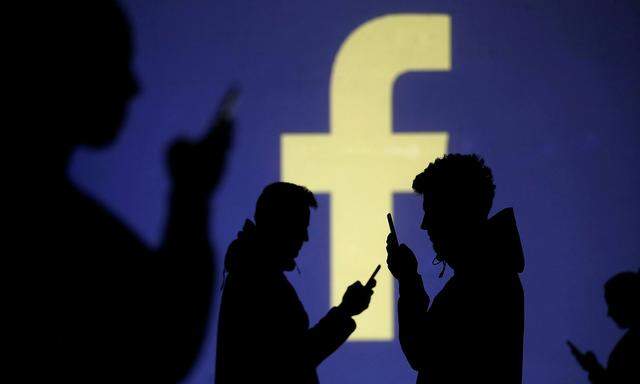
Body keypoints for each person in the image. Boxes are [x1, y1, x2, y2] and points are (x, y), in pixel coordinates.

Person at [21, 1, 232, 381]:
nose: (133, 86)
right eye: (112, 63)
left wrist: (191, 194)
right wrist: (192, 196)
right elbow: (163, 345)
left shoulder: (72, 226)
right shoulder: (66, 234)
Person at [215, 182, 375, 383]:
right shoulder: (259, 280)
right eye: (300, 227)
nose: (305, 237)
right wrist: (344, 312)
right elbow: (293, 361)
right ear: (279, 224)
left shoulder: (252, 273)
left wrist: (344, 311)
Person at [386, 154, 525, 383]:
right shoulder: (490, 272)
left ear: (455, 212)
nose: (424, 224)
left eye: (431, 211)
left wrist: (408, 280)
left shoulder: (481, 283)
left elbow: (421, 350)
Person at [568, 270, 639, 384]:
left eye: (611, 304)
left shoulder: (623, 354)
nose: (609, 313)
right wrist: (593, 368)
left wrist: (594, 369)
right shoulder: (621, 354)